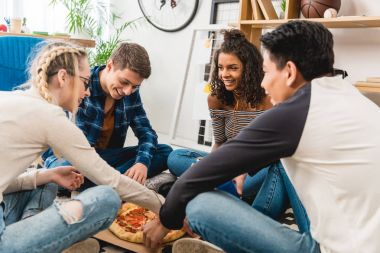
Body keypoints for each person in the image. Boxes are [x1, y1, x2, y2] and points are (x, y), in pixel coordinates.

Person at [143, 20, 380, 253]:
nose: (264, 83)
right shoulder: (350, 95)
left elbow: (195, 179)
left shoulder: (297, 112)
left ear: (289, 72)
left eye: (266, 72)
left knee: (199, 204)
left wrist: (166, 220)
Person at [0, 41, 164, 253]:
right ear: (62, 77)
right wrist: (166, 208)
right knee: (107, 197)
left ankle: (34, 230)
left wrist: (46, 176)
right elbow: (111, 180)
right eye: (85, 82)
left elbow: (5, 182)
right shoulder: (50, 116)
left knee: (48, 179)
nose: (86, 92)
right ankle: (44, 242)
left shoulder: (10, 97)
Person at [167, 30, 286, 214]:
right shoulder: (216, 99)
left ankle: (230, 195)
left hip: (256, 168)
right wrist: (211, 168)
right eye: (220, 67)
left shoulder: (268, 100)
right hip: (227, 163)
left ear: (248, 69)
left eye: (232, 67)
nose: (224, 74)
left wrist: (240, 170)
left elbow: (271, 154)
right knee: (175, 157)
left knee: (263, 177)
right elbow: (220, 143)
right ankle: (226, 190)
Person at [44, 42, 172, 186]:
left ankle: (107, 183)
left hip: (107, 158)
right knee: (63, 170)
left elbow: (147, 133)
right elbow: (62, 146)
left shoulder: (130, 93)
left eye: (135, 87)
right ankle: (119, 183)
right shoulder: (82, 84)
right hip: (77, 157)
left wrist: (142, 163)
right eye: (124, 82)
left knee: (164, 152)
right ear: (110, 66)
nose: (128, 91)